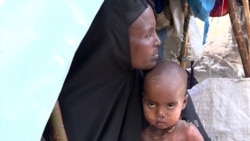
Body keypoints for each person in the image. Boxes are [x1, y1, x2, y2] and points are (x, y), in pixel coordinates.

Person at [43, 0, 210, 140]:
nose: (157, 41)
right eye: (147, 35)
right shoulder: (60, 103)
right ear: (116, 41)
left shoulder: (159, 84)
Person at [141, 60, 204, 141]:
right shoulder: (144, 135)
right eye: (151, 104)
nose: (160, 113)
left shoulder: (188, 132)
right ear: (143, 100)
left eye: (170, 105)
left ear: (184, 102)